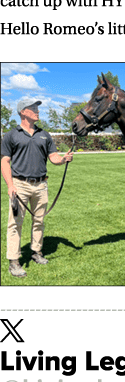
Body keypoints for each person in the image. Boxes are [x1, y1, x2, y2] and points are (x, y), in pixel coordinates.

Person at [1, 97, 73, 278]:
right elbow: (4, 161)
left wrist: (63, 159)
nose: (37, 110)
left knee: (39, 221)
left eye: (37, 108)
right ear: (23, 111)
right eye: (33, 108)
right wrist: (10, 185)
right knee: (15, 224)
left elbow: (53, 157)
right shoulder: (11, 135)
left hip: (41, 185)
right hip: (19, 186)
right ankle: (14, 261)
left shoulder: (44, 135)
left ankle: (36, 252)